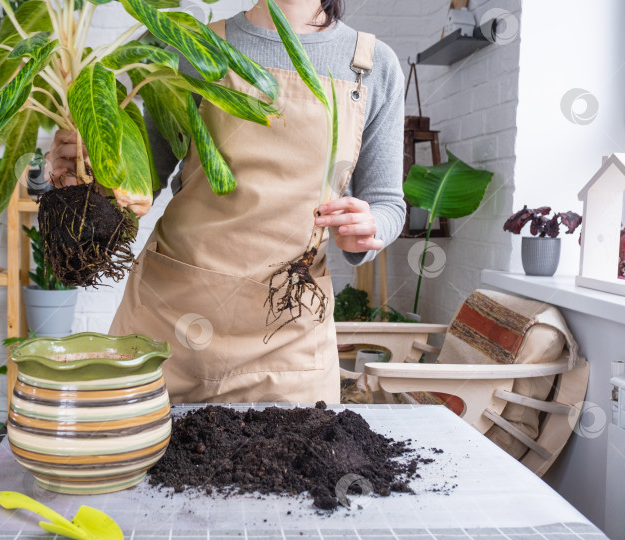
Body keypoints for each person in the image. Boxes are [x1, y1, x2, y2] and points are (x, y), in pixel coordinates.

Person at [46, 0, 405, 404]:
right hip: (168, 324)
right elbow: (138, 180)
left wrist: (369, 227)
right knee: (127, 457)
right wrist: (81, 169)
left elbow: (388, 203)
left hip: (287, 339)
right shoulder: (194, 47)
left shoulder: (371, 66)